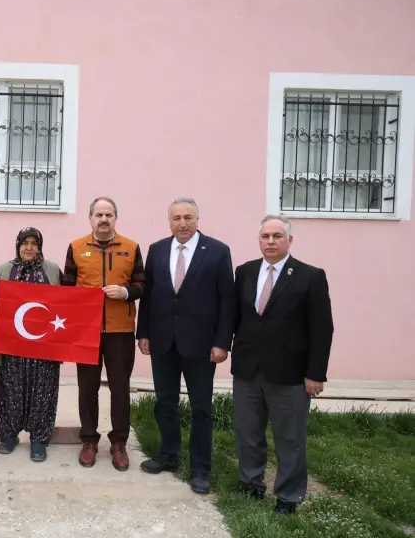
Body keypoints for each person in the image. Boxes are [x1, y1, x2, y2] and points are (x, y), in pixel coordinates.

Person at [231, 214, 333, 515]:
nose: (271, 241)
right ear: (259, 240)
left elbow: (322, 329)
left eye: (277, 236)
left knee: (290, 438)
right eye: (265, 236)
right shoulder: (245, 272)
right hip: (248, 369)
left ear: (290, 240)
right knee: (248, 432)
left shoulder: (310, 276)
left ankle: (288, 496)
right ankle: (250, 483)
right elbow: (236, 317)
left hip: (290, 374)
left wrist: (315, 373)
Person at [136, 197, 235, 494]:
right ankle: (168, 455)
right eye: (177, 218)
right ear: (169, 222)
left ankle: (200, 468)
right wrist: (144, 333)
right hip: (163, 341)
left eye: (188, 217)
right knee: (165, 402)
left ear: (197, 220)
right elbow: (149, 295)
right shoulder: (157, 250)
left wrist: (222, 342)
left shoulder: (217, 251)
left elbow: (227, 300)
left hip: (201, 346)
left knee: (201, 408)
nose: (182, 223)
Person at [63, 197, 146, 471]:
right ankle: (89, 440)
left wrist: (125, 292)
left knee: (120, 388)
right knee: (87, 388)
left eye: (108, 214)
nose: (103, 219)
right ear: (90, 218)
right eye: (98, 214)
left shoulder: (131, 247)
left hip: (120, 330)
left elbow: (143, 285)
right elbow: (66, 288)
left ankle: (119, 442)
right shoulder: (76, 247)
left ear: (115, 218)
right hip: (86, 331)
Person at [0, 227, 63, 462]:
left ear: (40, 247)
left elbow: (67, 302)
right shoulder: (5, 269)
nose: (29, 248)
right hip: (13, 346)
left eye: (34, 243)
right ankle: (9, 435)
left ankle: (39, 438)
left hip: (44, 347)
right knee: (11, 390)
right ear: (18, 245)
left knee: (43, 391)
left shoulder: (52, 270)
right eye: (25, 243)